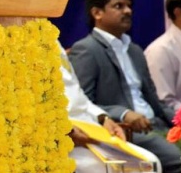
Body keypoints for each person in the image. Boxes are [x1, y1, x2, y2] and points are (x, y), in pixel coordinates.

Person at [68, 0, 181, 173]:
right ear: (97, 13)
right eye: (118, 6)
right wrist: (123, 113)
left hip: (158, 126)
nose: (128, 11)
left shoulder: (135, 50)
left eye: (129, 6)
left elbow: (155, 101)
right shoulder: (87, 49)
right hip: (127, 130)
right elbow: (83, 103)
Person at [58, 41, 160, 172]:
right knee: (134, 167)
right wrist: (66, 131)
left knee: (150, 162)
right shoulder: (33, 45)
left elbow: (79, 96)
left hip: (90, 129)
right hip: (65, 136)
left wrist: (103, 118)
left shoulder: (53, 40)